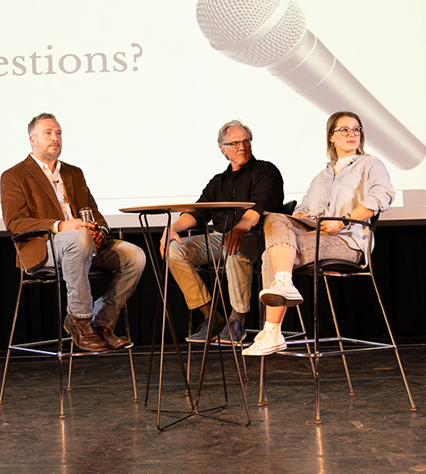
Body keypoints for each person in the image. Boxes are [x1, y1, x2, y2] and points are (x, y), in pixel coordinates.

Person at [243, 110, 395, 356]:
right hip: (315, 235)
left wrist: (343, 222)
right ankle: (284, 285)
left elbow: (381, 197)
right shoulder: (322, 176)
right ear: (331, 137)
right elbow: (304, 207)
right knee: (275, 218)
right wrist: (302, 217)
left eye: (356, 129)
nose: (351, 134)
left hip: (348, 243)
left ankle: (272, 330)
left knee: (272, 255)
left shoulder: (370, 164)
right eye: (344, 129)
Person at [0, 113, 146, 353]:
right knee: (77, 237)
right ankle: (79, 321)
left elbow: (94, 213)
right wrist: (60, 225)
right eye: (48, 133)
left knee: (135, 255)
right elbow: (16, 222)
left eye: (58, 133)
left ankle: (101, 322)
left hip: (85, 244)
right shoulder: (14, 175)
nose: (55, 138)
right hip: (45, 246)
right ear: (32, 140)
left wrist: (100, 231)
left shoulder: (73, 173)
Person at [160, 120, 284, 345]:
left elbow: (261, 205)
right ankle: (212, 318)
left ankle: (237, 320)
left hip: (257, 238)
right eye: (235, 143)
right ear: (223, 149)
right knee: (175, 249)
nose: (242, 147)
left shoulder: (266, 171)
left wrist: (240, 227)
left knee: (234, 248)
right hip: (220, 238)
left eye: (246, 141)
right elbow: (197, 212)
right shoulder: (218, 182)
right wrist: (172, 228)